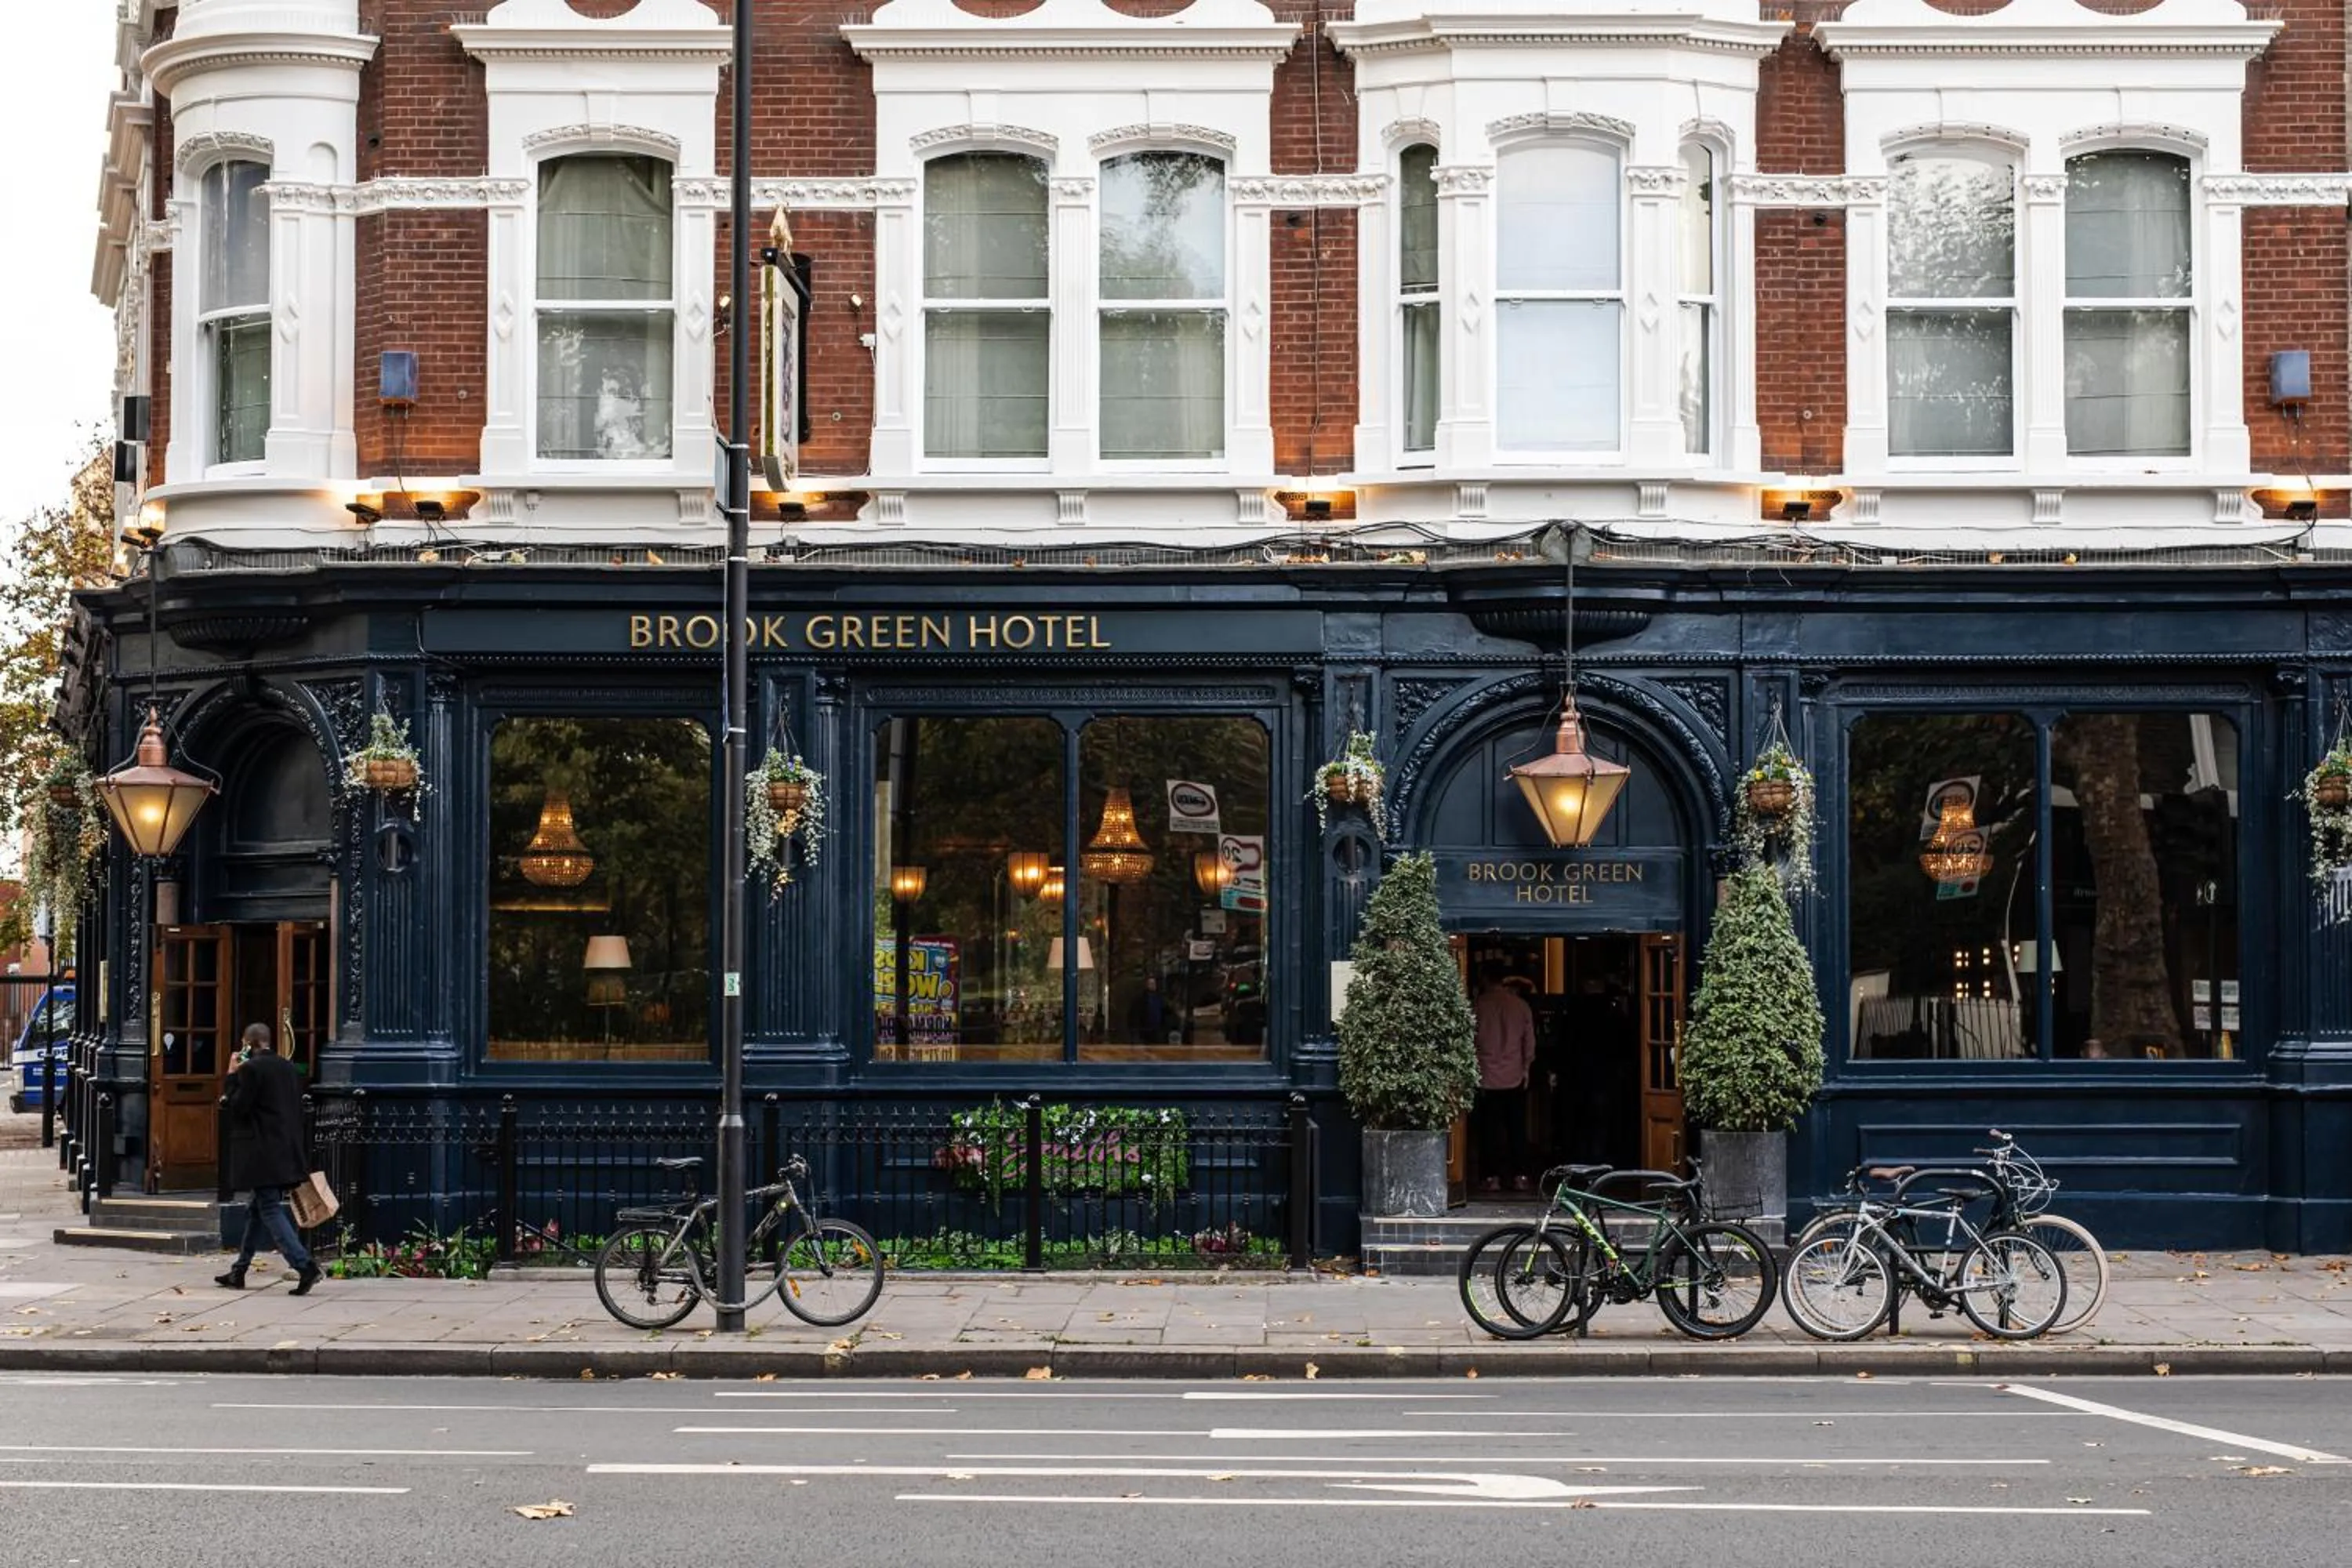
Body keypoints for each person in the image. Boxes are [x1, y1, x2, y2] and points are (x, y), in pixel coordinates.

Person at [214, 1022, 322, 1295]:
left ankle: (304, 1265)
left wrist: (231, 1075)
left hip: (262, 1153)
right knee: (255, 1210)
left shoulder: (250, 1069)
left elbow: (238, 1107)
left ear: (248, 1044)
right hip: (286, 1149)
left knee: (270, 1209)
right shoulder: (288, 1068)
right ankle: (239, 1271)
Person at [1472, 962, 1537, 1193]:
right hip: (1514, 1074)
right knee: (1517, 1128)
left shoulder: (1478, 1006)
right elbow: (1529, 1043)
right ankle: (1520, 1176)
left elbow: (1470, 1041)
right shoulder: (1520, 1005)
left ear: (1485, 979)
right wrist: (1526, 1068)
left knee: (1489, 1131)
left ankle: (1492, 1178)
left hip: (1486, 1075)